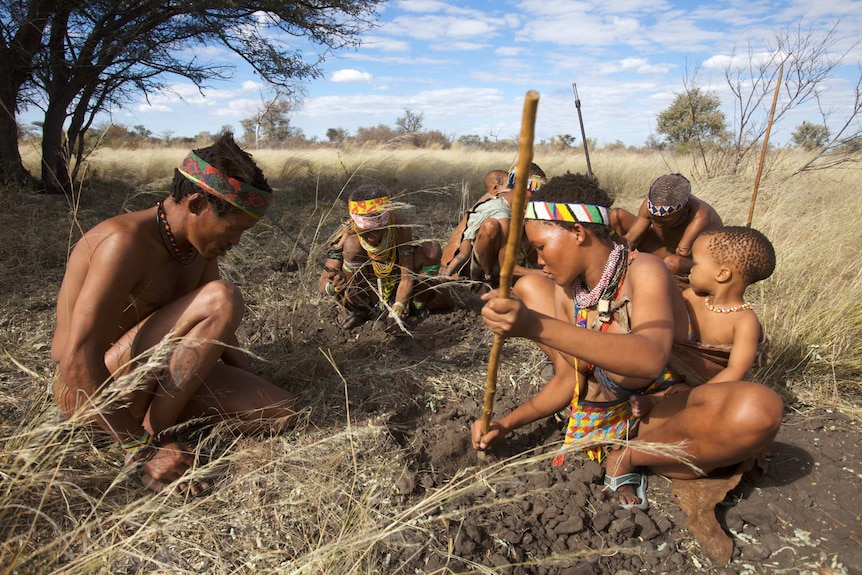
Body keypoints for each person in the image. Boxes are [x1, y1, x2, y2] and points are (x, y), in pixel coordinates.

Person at [471, 173, 783, 509]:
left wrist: (536, 326)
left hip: (663, 414)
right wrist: (506, 424)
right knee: (529, 288)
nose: (540, 261)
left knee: (757, 410)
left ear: (578, 232)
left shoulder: (645, 270)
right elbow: (568, 379)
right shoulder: (569, 292)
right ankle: (626, 448)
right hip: (602, 419)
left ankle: (630, 457)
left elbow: (648, 358)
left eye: (541, 247)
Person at [50, 133, 297, 496]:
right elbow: (75, 361)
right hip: (91, 393)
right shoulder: (123, 242)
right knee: (222, 297)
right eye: (235, 229)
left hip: (152, 382)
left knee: (280, 410)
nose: (236, 242)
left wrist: (247, 374)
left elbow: (216, 331)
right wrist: (141, 449)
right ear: (196, 203)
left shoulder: (200, 245)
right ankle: (150, 442)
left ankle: (157, 424)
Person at [631, 226, 777, 416]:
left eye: (696, 263)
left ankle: (657, 401)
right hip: (674, 367)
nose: (689, 267)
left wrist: (696, 391)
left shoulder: (745, 320)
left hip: (707, 381)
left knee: (696, 400)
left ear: (722, 274)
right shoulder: (692, 296)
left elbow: (736, 370)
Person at [319, 182, 452, 331]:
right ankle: (362, 311)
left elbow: (406, 276)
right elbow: (323, 282)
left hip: (397, 284)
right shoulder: (345, 235)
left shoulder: (399, 225)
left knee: (431, 249)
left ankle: (416, 306)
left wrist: (398, 309)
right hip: (365, 290)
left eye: (378, 230)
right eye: (366, 231)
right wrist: (333, 286)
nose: (372, 237)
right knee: (352, 247)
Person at [440, 164, 547, 286]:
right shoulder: (501, 215)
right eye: (535, 188)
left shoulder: (521, 206)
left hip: (508, 260)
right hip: (486, 266)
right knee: (490, 226)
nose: (539, 195)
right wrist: (546, 274)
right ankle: (485, 278)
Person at [610, 173, 723, 276]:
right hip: (666, 253)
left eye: (665, 221)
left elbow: (682, 252)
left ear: (684, 209)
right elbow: (630, 240)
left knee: (672, 263)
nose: (658, 224)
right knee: (616, 215)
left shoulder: (700, 215)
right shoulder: (650, 206)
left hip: (693, 262)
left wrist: (641, 262)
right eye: (654, 219)